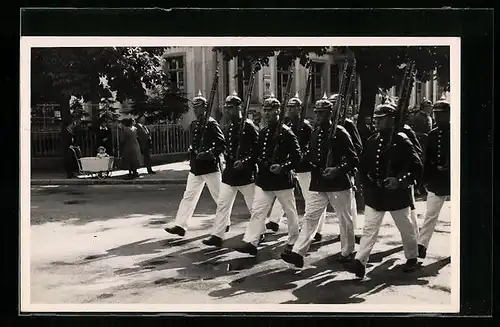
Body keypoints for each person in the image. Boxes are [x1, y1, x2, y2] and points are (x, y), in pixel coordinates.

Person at [281, 94, 359, 268]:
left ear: (330, 114)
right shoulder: (315, 133)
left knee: (344, 219)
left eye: (322, 113)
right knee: (310, 216)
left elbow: (353, 158)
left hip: (338, 183)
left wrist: (338, 169)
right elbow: (310, 156)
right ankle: (298, 253)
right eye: (316, 113)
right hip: (319, 182)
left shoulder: (340, 132)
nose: (317, 117)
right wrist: (292, 163)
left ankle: (348, 251)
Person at [348, 102, 423, 278]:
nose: (377, 123)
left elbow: (416, 165)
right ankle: (360, 261)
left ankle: (412, 256)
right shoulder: (372, 141)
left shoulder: (401, 139)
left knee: (406, 228)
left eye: (381, 120)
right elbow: (363, 166)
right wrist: (363, 184)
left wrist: (399, 181)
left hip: (396, 194)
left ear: (390, 120)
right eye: (376, 119)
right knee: (369, 229)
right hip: (376, 194)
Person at [233, 94, 302, 256]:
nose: (267, 113)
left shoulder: (286, 132)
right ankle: (251, 241)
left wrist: (283, 166)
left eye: (270, 110)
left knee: (290, 212)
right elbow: (256, 153)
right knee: (257, 211)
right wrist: (244, 162)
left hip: (282, 180)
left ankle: (294, 240)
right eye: (265, 110)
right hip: (264, 180)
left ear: (278, 111)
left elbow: (297, 157)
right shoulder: (263, 132)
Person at [202, 92, 260, 247]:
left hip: (245, 173)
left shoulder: (248, 126)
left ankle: (259, 232)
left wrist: (245, 162)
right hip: (230, 173)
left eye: (231, 108)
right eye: (226, 108)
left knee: (254, 207)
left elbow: (257, 150)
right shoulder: (227, 128)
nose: (228, 111)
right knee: (222, 204)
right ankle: (217, 234)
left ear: (239, 107)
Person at [164, 91, 226, 237]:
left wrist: (210, 152)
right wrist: (191, 150)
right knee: (189, 196)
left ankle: (226, 222)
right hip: (196, 167)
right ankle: (180, 225)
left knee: (219, 198)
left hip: (210, 167)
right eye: (194, 107)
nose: (195, 110)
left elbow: (221, 143)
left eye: (198, 107)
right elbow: (195, 142)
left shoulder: (211, 123)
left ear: (205, 107)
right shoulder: (195, 124)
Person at [264, 92, 324, 239]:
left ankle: (317, 229)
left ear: (299, 109)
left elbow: (312, 145)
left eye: (294, 107)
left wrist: (304, 155)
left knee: (310, 198)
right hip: (290, 165)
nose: (290, 110)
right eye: (289, 107)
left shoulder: (306, 126)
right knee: (283, 193)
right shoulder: (287, 125)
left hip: (303, 166)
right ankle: (274, 220)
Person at [417, 98, 451, 259]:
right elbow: (427, 158)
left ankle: (458, 248)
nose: (438, 118)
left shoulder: (458, 131)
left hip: (454, 179)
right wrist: (424, 180)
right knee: (430, 214)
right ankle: (422, 245)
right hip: (437, 180)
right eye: (436, 114)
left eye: (442, 115)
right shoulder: (433, 134)